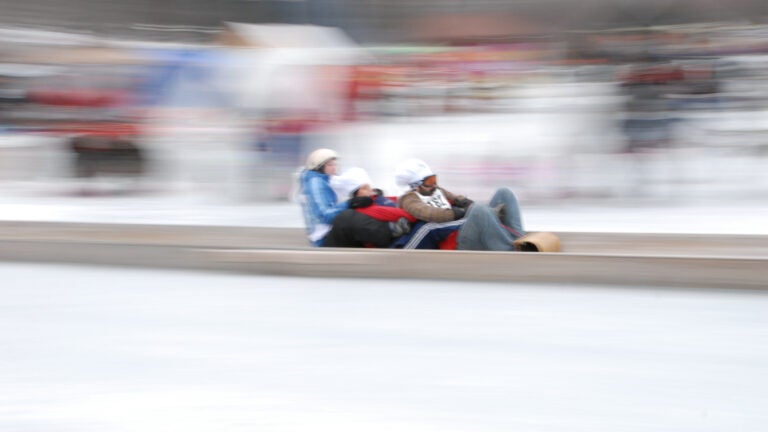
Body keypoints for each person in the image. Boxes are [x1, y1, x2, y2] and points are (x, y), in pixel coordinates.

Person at [393, 158, 526, 251]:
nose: (434, 184)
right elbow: (430, 214)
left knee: (504, 193)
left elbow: (453, 197)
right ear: (414, 186)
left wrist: (463, 202)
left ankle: (518, 240)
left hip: (461, 226)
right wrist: (459, 213)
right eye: (429, 181)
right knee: (479, 210)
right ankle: (509, 250)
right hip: (456, 242)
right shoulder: (409, 200)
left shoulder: (434, 190)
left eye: (434, 179)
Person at [322, 167, 413, 248]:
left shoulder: (376, 200)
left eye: (369, 187)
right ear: (355, 193)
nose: (370, 190)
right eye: (365, 188)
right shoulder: (361, 209)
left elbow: (398, 201)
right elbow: (407, 215)